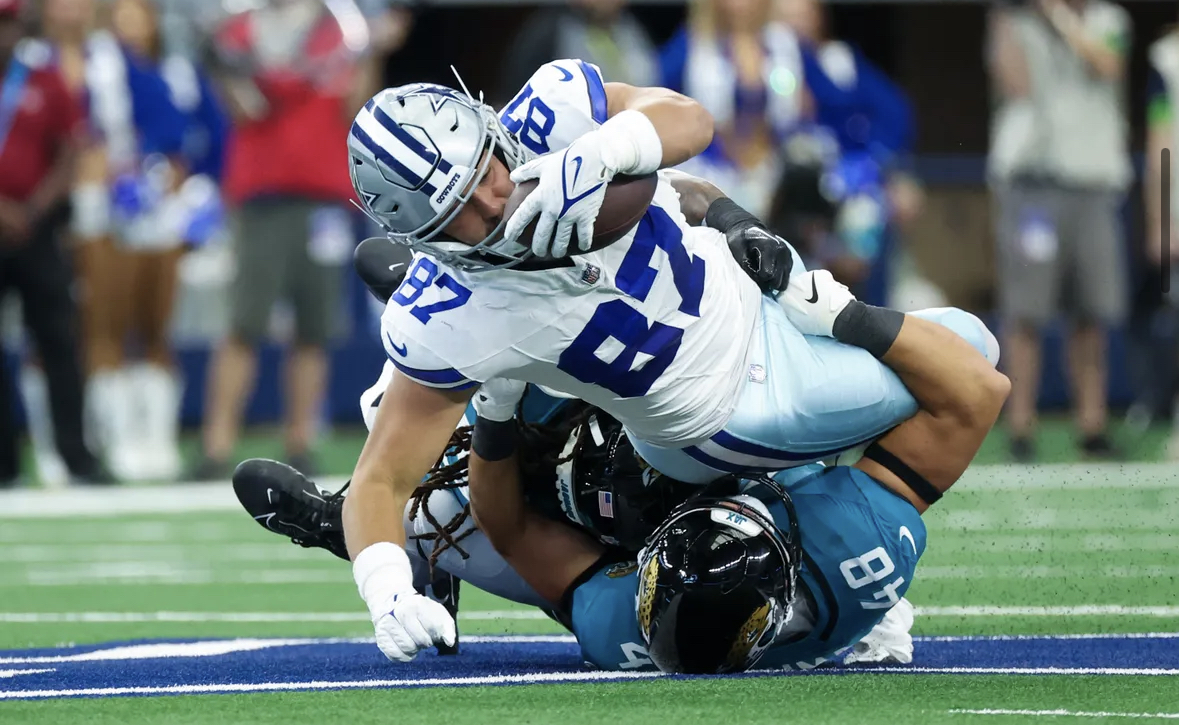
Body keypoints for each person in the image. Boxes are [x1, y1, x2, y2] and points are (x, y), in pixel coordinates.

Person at [341, 59, 1002, 662]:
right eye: (459, 212)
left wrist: (604, 150)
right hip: (734, 407)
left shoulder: (551, 111)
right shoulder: (450, 313)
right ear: (425, 239)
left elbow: (689, 122)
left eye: (486, 171)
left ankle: (845, 592)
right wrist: (385, 590)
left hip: (756, 308)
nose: (492, 201)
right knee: (965, 351)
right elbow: (379, 478)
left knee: (951, 346)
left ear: (492, 129)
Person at [231, 237, 1008, 671]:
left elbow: (511, 529)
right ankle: (474, 301)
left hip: (587, 518)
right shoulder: (855, 551)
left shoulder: (624, 624)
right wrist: (834, 309)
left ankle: (376, 527)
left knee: (440, 500)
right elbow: (975, 390)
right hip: (771, 453)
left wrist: (494, 411)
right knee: (944, 353)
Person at [193, 0, 366, 479]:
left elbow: (355, 103)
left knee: (314, 327)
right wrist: (224, 71)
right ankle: (216, 445)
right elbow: (245, 107)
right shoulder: (242, 30)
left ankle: (300, 441)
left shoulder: (338, 28)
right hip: (263, 192)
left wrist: (372, 52)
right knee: (244, 322)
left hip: (322, 195)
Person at [985, 0, 1132, 461]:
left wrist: (1058, 14)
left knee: (1092, 313)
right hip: (1034, 186)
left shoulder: (1111, 20)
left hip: (1092, 184)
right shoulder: (1016, 21)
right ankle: (1021, 427)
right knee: (1025, 312)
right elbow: (1015, 83)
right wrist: (1005, 17)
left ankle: (1092, 425)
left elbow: (1106, 65)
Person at [0, 0, 108, 487]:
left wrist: (32, 209)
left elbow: (71, 149)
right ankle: (5, 464)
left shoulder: (42, 77)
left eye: (7, 23)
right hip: (12, 219)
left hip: (37, 230)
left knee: (61, 342)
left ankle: (76, 457)